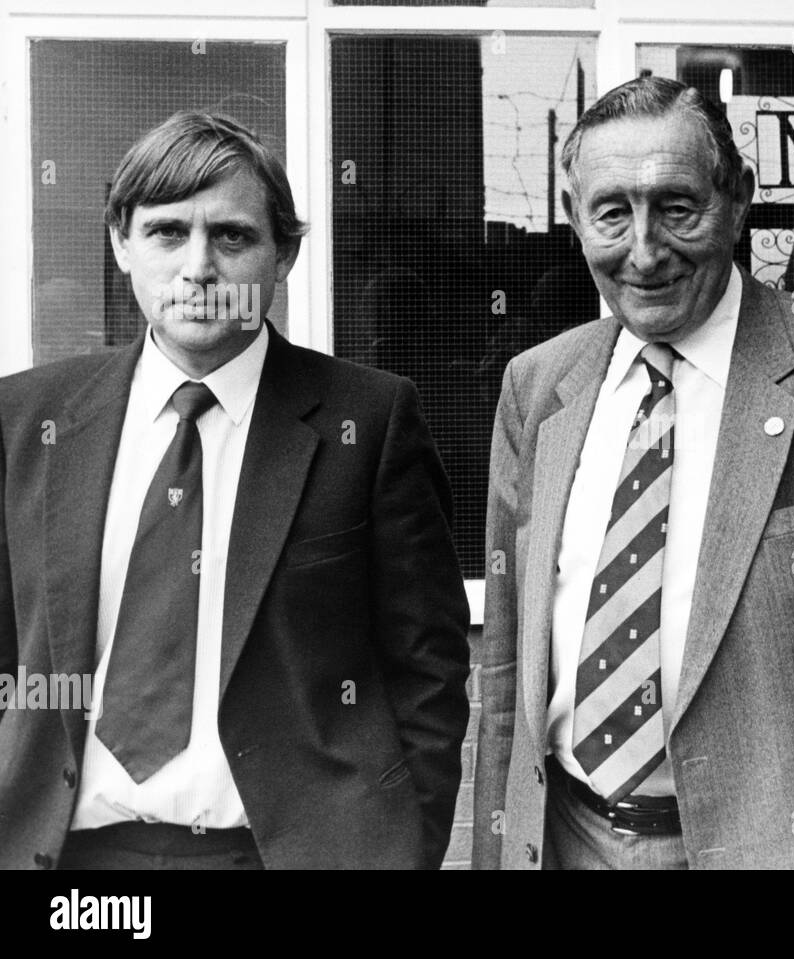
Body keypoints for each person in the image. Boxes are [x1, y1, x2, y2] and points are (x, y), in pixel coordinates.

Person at [473, 76, 794, 869]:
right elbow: (509, 665)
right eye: (611, 211)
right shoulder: (537, 385)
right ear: (574, 214)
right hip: (570, 842)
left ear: (737, 199)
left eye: (677, 207)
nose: (644, 252)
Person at [0, 111, 470, 869]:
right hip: (68, 860)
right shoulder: (26, 421)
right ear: (122, 242)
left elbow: (429, 668)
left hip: (281, 856)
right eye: (166, 231)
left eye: (232, 236)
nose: (198, 268)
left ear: (283, 253)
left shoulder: (368, 422)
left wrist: (401, 848)